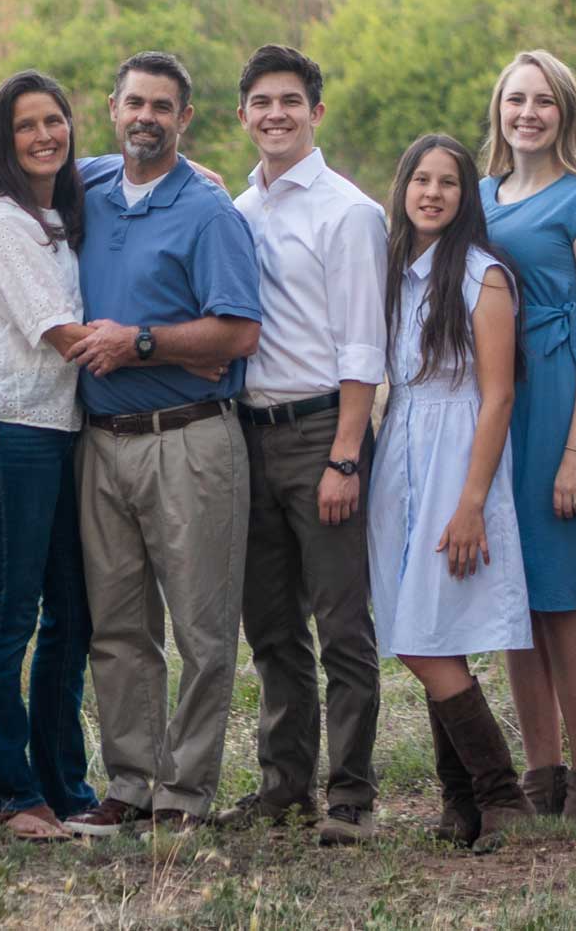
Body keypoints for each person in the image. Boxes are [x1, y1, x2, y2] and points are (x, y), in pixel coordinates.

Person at [60, 51, 263, 837]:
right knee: (117, 626)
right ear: (112, 107)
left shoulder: (210, 212)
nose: (146, 115)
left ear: (186, 118)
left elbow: (239, 330)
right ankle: (130, 780)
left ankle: (185, 791)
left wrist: (142, 342)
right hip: (100, 442)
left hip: (190, 439)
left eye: (163, 106)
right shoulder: (89, 188)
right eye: (134, 102)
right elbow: (6, 164)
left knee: (203, 629)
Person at [218, 46, 387, 847]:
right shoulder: (239, 212)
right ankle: (285, 785)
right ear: (243, 114)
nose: (276, 113)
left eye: (291, 100)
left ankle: (350, 793)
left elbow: (363, 346)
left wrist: (346, 455)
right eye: (261, 101)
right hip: (247, 434)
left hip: (325, 428)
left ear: (316, 112)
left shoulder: (348, 212)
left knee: (343, 624)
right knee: (273, 626)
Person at [367, 133, 535, 849]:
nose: (432, 192)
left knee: (425, 630)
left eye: (449, 182)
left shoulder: (481, 274)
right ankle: (462, 802)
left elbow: (497, 397)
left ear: (466, 197)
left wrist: (471, 502)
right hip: (399, 448)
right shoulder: (395, 269)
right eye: (421, 179)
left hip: (456, 456)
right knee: (417, 624)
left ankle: (503, 795)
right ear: (403, 186)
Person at [0, 70, 99, 842]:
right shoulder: (2, 220)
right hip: (5, 430)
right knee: (10, 613)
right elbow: (60, 329)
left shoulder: (55, 214)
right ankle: (12, 791)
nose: (45, 135)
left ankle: (65, 780)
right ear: (2, 143)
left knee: (72, 611)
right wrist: (157, 354)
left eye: (56, 120)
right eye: (26, 126)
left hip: (59, 431)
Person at [477, 51, 576, 838]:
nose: (526, 112)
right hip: (492, 401)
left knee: (560, 598)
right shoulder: (477, 196)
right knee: (513, 602)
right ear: (497, 109)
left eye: (542, 101)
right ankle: (541, 772)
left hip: (559, 395)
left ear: (564, 112)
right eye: (514, 99)